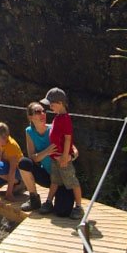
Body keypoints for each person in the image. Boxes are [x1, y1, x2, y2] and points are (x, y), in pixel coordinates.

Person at [38, 87, 84, 219]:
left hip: (63, 159)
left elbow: (68, 138)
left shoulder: (65, 119)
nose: (50, 107)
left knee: (72, 182)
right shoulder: (57, 118)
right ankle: (48, 201)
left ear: (60, 103)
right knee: (55, 181)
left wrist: (65, 156)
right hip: (55, 158)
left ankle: (79, 207)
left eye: (52, 104)